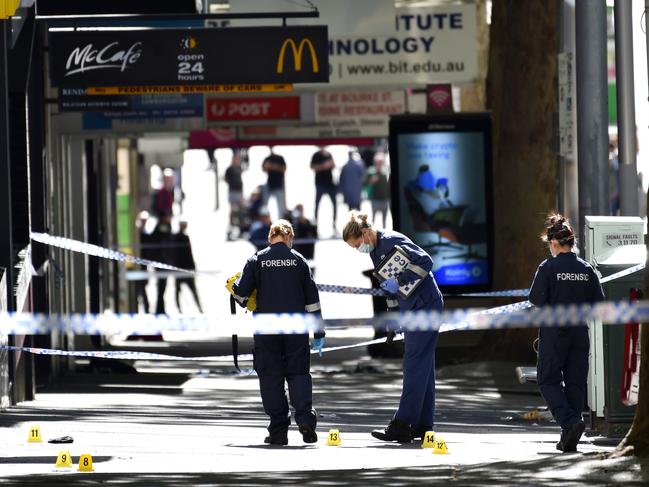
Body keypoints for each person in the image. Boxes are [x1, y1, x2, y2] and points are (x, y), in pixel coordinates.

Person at [342, 211, 443, 443]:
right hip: (414, 309)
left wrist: (399, 280)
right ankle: (422, 425)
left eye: (358, 245)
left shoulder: (391, 241)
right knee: (423, 367)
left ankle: (402, 424)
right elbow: (389, 289)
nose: (359, 250)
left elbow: (425, 261)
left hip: (425, 306)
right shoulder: (375, 250)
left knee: (414, 364)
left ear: (365, 233)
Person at [231, 219, 324, 445]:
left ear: (270, 237)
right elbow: (312, 301)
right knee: (299, 374)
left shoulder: (257, 260)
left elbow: (241, 295)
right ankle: (305, 421)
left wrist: (233, 288)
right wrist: (318, 333)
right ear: (290, 237)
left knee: (271, 377)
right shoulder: (299, 260)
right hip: (296, 328)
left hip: (267, 329)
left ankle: (278, 431)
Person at [528, 212, 605, 453]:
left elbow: (536, 300)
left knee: (547, 379)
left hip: (554, 333)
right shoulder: (586, 269)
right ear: (571, 242)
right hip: (580, 333)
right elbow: (598, 304)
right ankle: (569, 438)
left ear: (553, 243)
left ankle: (570, 422)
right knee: (575, 384)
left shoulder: (548, 267)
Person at [173, 221, 203, 313]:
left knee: (188, 290)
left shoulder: (180, 237)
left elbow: (189, 254)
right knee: (180, 290)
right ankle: (180, 308)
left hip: (184, 267)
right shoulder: (179, 238)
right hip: (183, 267)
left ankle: (199, 308)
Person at [310, 148, 338, 232]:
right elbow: (312, 167)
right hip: (320, 184)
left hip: (330, 183)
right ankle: (315, 224)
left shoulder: (328, 154)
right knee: (317, 204)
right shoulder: (316, 155)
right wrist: (323, 166)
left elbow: (333, 165)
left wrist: (330, 165)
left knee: (334, 204)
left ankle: (334, 224)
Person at [365, 152, 390, 228]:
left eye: (381, 162)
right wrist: (371, 181)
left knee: (384, 220)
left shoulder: (386, 172)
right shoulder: (371, 171)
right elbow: (364, 184)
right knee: (373, 218)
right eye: (377, 162)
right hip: (374, 199)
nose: (379, 164)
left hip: (385, 199)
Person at [225, 150, 245, 240]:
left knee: (240, 212)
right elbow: (226, 178)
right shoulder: (230, 169)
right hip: (233, 192)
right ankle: (230, 229)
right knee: (233, 211)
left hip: (239, 192)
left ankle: (240, 229)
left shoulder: (239, 168)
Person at [262, 152, 287, 219]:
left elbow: (284, 168)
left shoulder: (280, 158)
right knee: (264, 206)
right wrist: (268, 167)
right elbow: (264, 169)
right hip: (269, 185)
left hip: (279, 185)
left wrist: (275, 167)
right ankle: (265, 221)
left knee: (281, 207)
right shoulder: (267, 158)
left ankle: (281, 223)